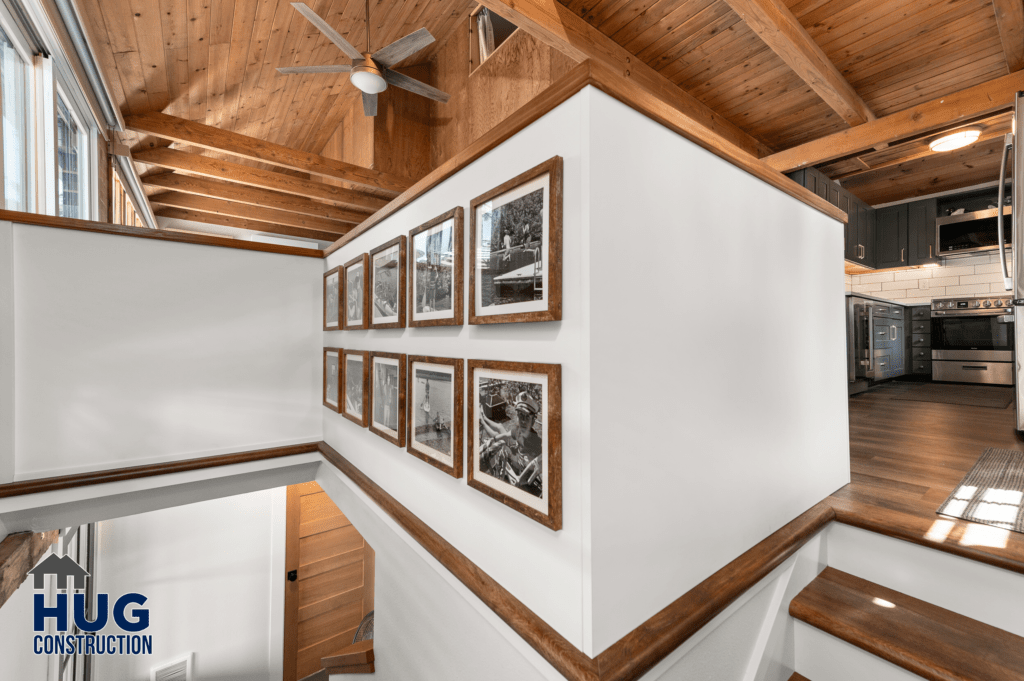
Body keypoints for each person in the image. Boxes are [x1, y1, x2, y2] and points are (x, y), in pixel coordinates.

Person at [479, 391, 542, 495]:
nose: (523, 420)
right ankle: (483, 419)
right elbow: (506, 435)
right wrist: (492, 440)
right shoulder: (518, 430)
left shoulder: (536, 441)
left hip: (518, 467)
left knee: (499, 445)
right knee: (498, 438)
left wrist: (543, 459)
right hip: (514, 457)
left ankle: (482, 420)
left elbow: (551, 452)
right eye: (520, 415)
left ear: (534, 421)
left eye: (527, 416)